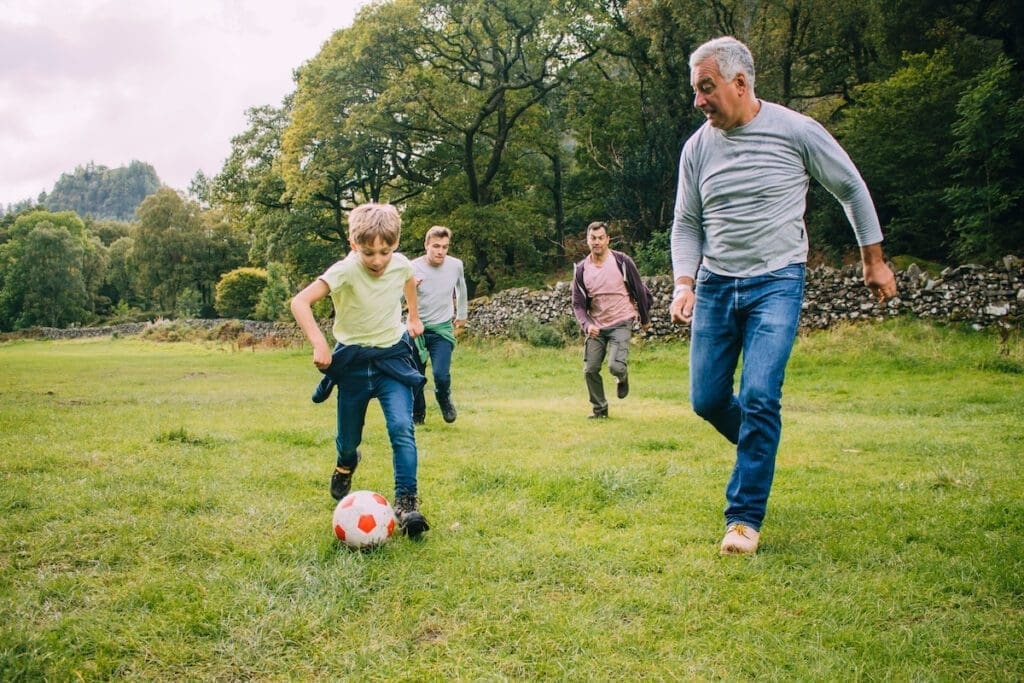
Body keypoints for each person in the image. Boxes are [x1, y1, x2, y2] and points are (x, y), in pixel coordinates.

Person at [669, 37, 897, 555]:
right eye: (696, 90)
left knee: (760, 396)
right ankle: (761, 443)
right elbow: (686, 223)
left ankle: (743, 520)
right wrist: (684, 282)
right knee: (706, 400)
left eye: (707, 88)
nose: (699, 101)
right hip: (716, 284)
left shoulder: (795, 131)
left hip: (777, 281)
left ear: (741, 83)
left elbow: (851, 188)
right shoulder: (697, 148)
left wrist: (873, 260)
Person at [290, 202, 430, 538]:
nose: (378, 260)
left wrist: (413, 316)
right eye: (369, 253)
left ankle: (407, 502)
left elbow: (409, 280)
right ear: (355, 246)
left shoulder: (399, 265)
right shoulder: (344, 270)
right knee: (348, 440)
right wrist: (320, 344)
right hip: (352, 363)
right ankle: (346, 464)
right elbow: (300, 302)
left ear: (395, 245)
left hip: (392, 361)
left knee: (401, 427)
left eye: (386, 250)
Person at [571, 221, 652, 419]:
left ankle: (622, 377)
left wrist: (644, 317)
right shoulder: (581, 269)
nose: (596, 242)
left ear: (608, 240)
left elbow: (639, 290)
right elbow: (578, 305)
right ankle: (600, 410)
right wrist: (587, 324)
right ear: (587, 240)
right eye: (593, 238)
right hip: (596, 325)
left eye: (600, 238)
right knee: (590, 369)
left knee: (615, 366)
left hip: (621, 320)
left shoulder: (622, 261)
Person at [410, 225, 468, 425]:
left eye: (444, 247)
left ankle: (443, 398)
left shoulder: (455, 265)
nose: (440, 251)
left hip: (442, 328)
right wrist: (408, 286)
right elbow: (397, 295)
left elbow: (461, 287)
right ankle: (418, 414)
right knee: (415, 376)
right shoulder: (411, 268)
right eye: (436, 246)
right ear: (426, 245)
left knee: (441, 375)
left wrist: (462, 314)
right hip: (417, 329)